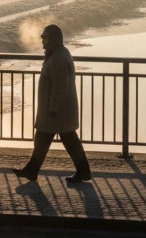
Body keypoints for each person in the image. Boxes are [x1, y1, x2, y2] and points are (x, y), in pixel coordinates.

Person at [12, 24, 92, 184]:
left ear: (53, 39)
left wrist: (53, 107)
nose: (42, 39)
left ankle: (33, 171)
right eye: (42, 36)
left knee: (50, 140)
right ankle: (34, 171)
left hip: (57, 110)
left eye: (45, 37)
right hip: (59, 110)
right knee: (62, 141)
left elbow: (60, 86)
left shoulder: (58, 58)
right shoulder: (57, 54)